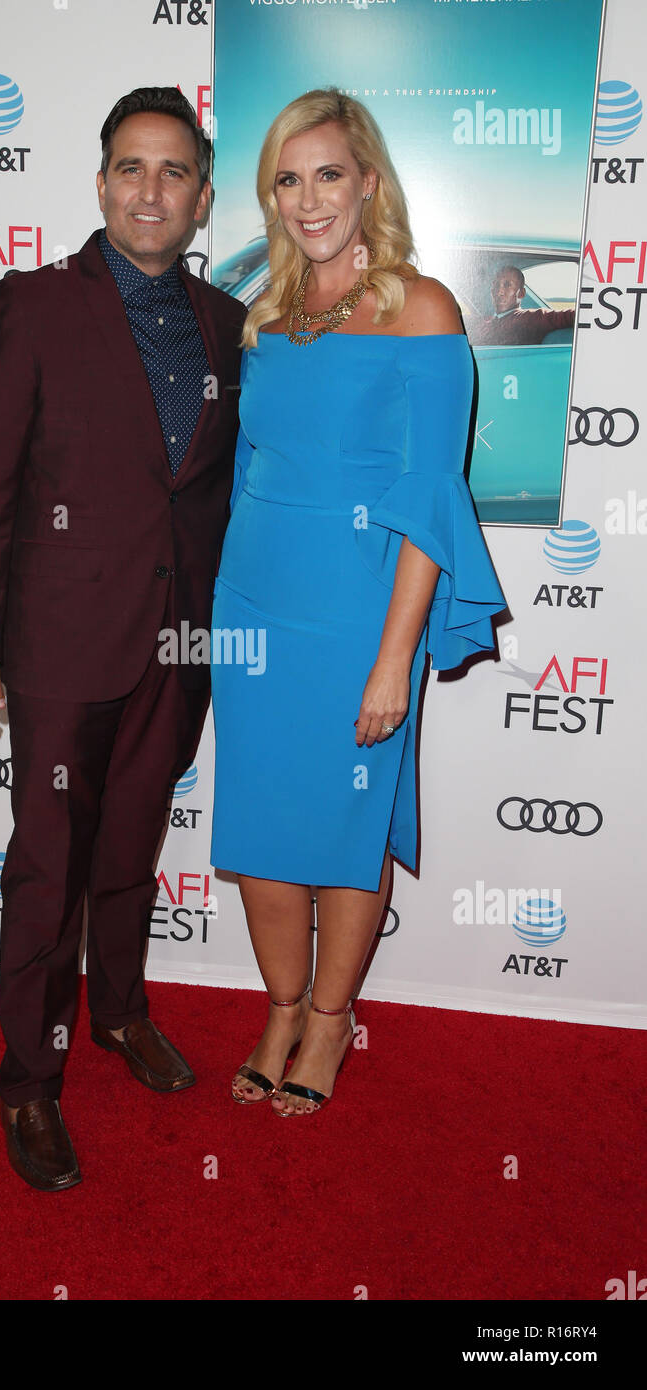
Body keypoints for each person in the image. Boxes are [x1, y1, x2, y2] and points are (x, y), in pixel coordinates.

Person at [0, 87, 246, 1190]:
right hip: (62, 643)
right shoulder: (34, 305)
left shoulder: (224, 322)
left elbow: (207, 492)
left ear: (202, 197)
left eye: (173, 172)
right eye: (129, 167)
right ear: (101, 181)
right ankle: (30, 1081)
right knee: (47, 868)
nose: (149, 189)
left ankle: (118, 1013)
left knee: (129, 853)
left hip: (177, 646)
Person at [209, 89, 507, 1118]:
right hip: (251, 608)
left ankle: (331, 1020)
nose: (308, 198)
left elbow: (431, 503)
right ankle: (281, 1006)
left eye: (327, 173)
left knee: (345, 822)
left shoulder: (423, 309)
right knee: (258, 827)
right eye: (287, 180)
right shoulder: (266, 320)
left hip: (358, 619)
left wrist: (396, 656)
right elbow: (247, 474)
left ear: (369, 181)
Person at [469, 265, 575, 345]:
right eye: (496, 285)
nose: (499, 292)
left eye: (507, 285)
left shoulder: (530, 318)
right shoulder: (485, 321)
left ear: (521, 293)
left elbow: (574, 315)